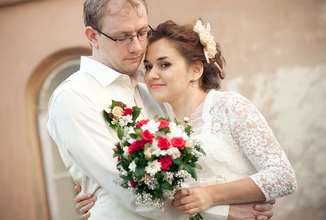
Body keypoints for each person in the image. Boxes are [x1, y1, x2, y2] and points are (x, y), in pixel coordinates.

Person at [47, 0, 277, 219]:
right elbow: (127, 189)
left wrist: (230, 194)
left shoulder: (150, 93)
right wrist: (223, 211)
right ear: (92, 36)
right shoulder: (74, 97)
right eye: (123, 37)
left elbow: (181, 174)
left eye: (142, 32)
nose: (137, 47)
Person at [74, 18, 297, 219]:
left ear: (196, 70)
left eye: (164, 64)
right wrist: (98, 198)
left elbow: (282, 177)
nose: (152, 75)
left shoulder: (229, 107)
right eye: (148, 67)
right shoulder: (155, 121)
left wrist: (211, 195)